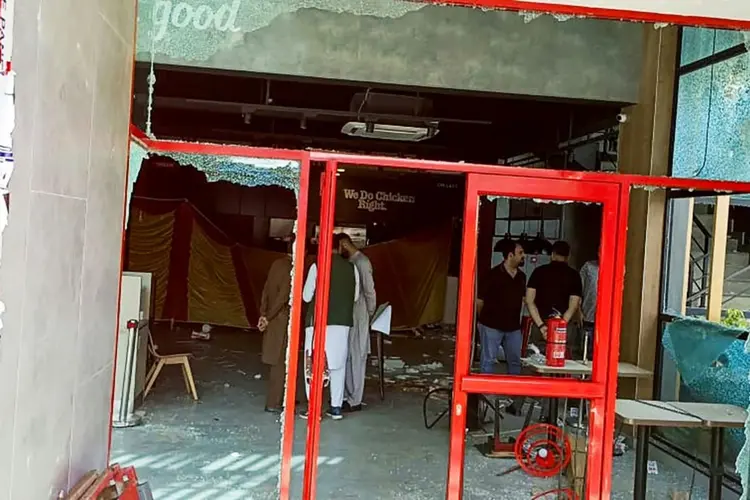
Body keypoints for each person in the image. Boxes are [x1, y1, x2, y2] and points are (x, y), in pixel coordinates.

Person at [300, 234, 360, 420]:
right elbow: (356, 297)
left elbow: (306, 296)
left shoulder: (317, 266)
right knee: (338, 366)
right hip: (342, 324)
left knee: (313, 365)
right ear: (339, 247)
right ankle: (335, 408)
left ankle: (314, 409)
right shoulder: (352, 268)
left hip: (317, 323)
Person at [476, 239, 526, 376]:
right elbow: (479, 301)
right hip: (491, 325)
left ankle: (513, 392)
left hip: (513, 327)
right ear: (510, 255)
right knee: (488, 361)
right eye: (520, 253)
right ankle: (486, 394)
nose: (524, 256)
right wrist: (483, 322)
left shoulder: (522, 277)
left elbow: (523, 299)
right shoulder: (491, 275)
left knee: (515, 361)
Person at [338, 234, 376, 413]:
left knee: (358, 356)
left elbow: (369, 291)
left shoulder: (362, 262)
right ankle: (347, 396)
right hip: (350, 313)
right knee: (348, 356)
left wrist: (369, 314)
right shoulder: (351, 262)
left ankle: (355, 399)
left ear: (344, 244)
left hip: (360, 313)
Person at [526, 241, 583, 356]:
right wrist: (560, 326)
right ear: (568, 256)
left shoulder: (538, 272)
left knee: (538, 361)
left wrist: (542, 326)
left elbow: (529, 300)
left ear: (552, 254)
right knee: (563, 362)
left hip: (541, 324)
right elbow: (573, 306)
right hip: (564, 326)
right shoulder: (574, 275)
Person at [258, 234, 294, 413]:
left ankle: (281, 399)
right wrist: (270, 316)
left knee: (276, 362)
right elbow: (282, 298)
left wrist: (263, 314)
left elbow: (265, 290)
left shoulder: (276, 264)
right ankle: (274, 403)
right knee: (280, 364)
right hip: (282, 320)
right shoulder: (291, 269)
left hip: (272, 320)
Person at [579, 258, 599, 360]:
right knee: (586, 353)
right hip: (588, 316)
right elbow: (578, 289)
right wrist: (579, 311)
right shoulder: (588, 267)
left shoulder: (614, 267)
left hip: (607, 320)